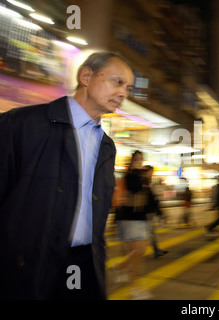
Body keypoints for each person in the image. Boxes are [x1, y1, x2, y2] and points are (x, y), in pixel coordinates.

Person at [0, 51, 134, 299]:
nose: (124, 93)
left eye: (128, 87)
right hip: (26, 267)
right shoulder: (21, 125)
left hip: (82, 266)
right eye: (117, 82)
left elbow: (98, 217)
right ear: (86, 76)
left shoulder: (107, 146)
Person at [114, 151, 153, 299]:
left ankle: (119, 267)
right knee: (137, 253)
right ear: (131, 161)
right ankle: (135, 289)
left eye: (141, 159)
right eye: (136, 159)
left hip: (141, 218)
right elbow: (135, 188)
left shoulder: (142, 177)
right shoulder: (129, 176)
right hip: (129, 218)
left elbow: (148, 198)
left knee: (140, 252)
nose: (139, 162)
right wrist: (140, 174)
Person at [141, 165, 168, 259]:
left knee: (150, 232)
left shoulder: (147, 182)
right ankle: (153, 250)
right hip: (146, 211)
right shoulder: (143, 181)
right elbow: (148, 198)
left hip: (149, 211)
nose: (152, 174)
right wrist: (157, 209)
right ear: (146, 172)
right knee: (148, 233)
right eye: (151, 172)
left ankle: (156, 250)